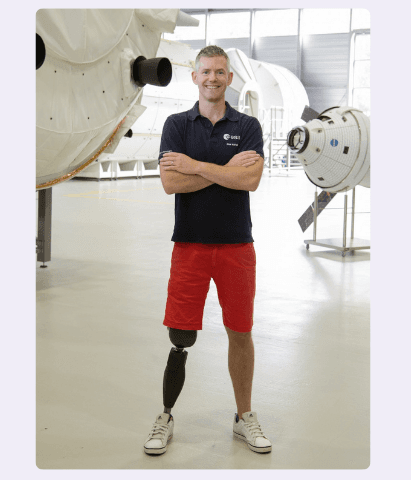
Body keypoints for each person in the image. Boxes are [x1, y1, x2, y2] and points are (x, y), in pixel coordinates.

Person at [142, 45, 272, 456]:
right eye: (206, 72)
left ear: (229, 78)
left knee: (241, 332)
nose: (213, 78)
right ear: (194, 77)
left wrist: (195, 166)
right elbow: (170, 184)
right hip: (190, 245)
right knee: (180, 336)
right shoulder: (176, 124)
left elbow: (249, 181)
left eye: (220, 71)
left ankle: (244, 417)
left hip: (236, 245)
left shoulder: (248, 124)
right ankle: (165, 415)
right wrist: (226, 171)